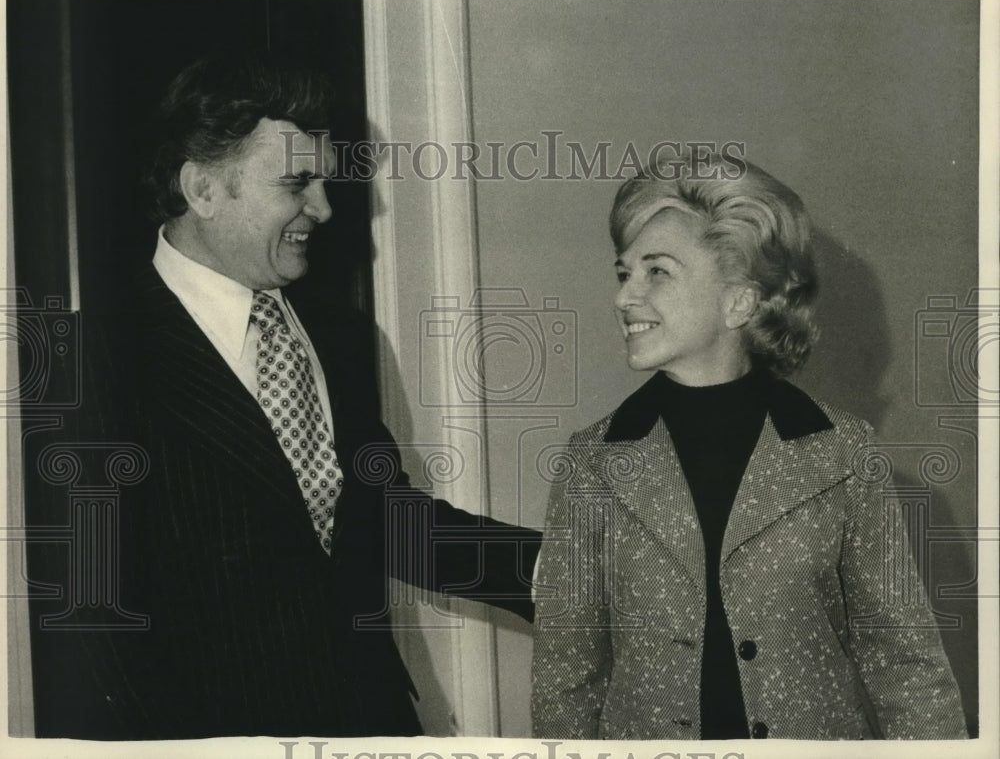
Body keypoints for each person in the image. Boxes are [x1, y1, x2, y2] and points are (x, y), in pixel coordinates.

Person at [26, 52, 539, 739]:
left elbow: (383, 521)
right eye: (298, 183)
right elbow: (91, 622)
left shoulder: (340, 333)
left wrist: (567, 568)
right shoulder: (91, 356)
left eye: (324, 182)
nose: (323, 209)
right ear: (202, 188)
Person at [530, 152, 967, 740]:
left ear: (739, 300)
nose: (624, 296)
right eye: (623, 272)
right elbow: (565, 683)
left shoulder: (844, 453)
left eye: (656, 271)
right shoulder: (592, 463)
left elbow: (907, 669)